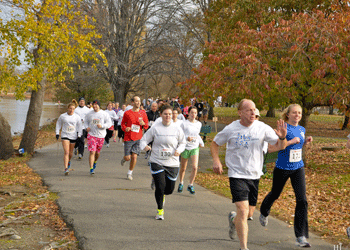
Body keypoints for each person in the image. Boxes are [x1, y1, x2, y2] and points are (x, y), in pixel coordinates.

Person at [210, 99, 287, 250]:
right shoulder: (231, 128)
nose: (253, 113)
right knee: (243, 210)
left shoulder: (262, 128)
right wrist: (216, 160)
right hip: (237, 173)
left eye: (254, 109)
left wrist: (283, 137)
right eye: (248, 110)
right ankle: (243, 247)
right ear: (240, 113)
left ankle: (234, 220)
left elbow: (280, 147)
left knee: (248, 212)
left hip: (254, 174)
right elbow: (214, 143)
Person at [259, 104, 313, 248]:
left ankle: (300, 236)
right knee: (275, 193)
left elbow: (298, 147)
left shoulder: (302, 129)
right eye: (294, 113)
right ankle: (264, 211)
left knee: (302, 200)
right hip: (282, 167)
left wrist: (305, 142)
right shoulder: (283, 128)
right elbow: (274, 148)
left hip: (298, 167)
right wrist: (290, 141)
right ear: (288, 114)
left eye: (300, 113)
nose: (297, 115)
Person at [140, 104, 186, 220]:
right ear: (161, 115)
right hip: (157, 161)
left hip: (172, 162)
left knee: (169, 190)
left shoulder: (177, 129)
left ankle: (163, 196)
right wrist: (145, 147)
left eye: (170, 114)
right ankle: (160, 210)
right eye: (165, 114)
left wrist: (179, 150)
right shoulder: (155, 128)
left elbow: (183, 143)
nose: (168, 116)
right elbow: (143, 140)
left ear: (173, 115)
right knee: (160, 187)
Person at [177, 106, 204, 195]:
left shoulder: (199, 124)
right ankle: (181, 182)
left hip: (194, 147)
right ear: (188, 113)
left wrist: (201, 142)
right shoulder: (184, 123)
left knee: (195, 167)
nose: (193, 114)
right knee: (183, 168)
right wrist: (186, 138)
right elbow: (180, 135)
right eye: (192, 112)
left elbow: (197, 135)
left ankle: (191, 184)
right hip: (185, 147)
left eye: (195, 113)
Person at [121, 96, 149, 180]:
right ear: (132, 102)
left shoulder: (143, 113)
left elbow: (146, 126)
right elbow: (122, 124)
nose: (138, 103)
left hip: (138, 138)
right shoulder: (127, 113)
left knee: (134, 157)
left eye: (139, 101)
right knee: (128, 158)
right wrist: (125, 128)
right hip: (128, 137)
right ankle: (124, 158)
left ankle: (130, 173)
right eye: (136, 101)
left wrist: (144, 124)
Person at [85, 100, 113, 175]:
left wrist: (102, 126)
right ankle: (91, 168)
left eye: (96, 105)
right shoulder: (89, 114)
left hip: (101, 135)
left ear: (99, 106)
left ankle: (95, 161)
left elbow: (109, 123)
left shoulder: (104, 113)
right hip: (91, 135)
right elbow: (85, 121)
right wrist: (86, 127)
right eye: (93, 105)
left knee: (97, 152)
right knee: (92, 152)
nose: (95, 106)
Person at [55, 99, 82, 175]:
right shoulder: (63, 116)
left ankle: (69, 161)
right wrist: (57, 133)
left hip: (73, 135)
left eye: (73, 109)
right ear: (68, 108)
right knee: (66, 152)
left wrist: (79, 135)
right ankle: (66, 168)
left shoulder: (77, 117)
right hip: (65, 135)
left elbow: (80, 126)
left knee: (70, 153)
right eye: (70, 108)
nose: (71, 110)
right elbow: (58, 124)